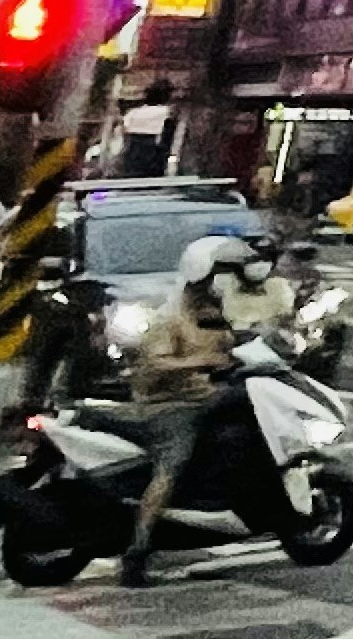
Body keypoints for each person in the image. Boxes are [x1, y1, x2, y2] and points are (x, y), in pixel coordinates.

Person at [115, 237, 266, 588]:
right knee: (172, 466)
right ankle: (137, 550)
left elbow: (234, 340)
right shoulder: (170, 317)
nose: (224, 282)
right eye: (219, 274)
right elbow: (156, 363)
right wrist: (200, 361)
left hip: (205, 398)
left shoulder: (210, 311)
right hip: (169, 405)